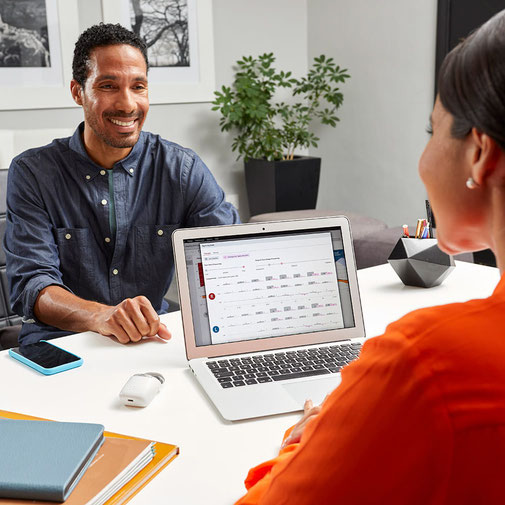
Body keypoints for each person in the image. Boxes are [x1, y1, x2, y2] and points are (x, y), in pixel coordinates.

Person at [234, 9, 505, 505]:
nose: (423, 160)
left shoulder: (423, 362)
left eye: (432, 132)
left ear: (481, 154)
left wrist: (306, 443)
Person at [4, 23, 239, 346]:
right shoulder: (33, 173)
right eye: (109, 86)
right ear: (78, 92)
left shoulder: (182, 169)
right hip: (62, 344)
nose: (127, 104)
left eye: (138, 86)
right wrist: (101, 315)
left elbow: (230, 257)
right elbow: (32, 285)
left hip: (150, 340)